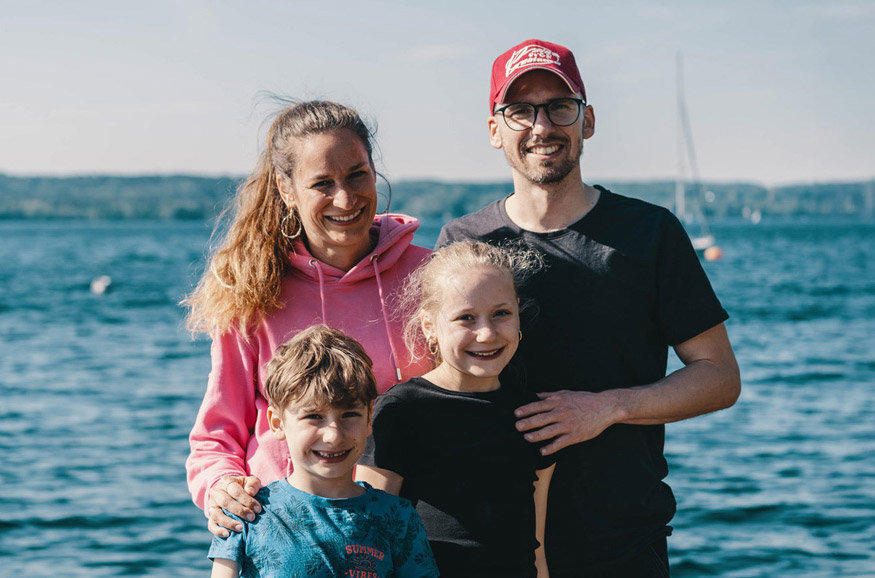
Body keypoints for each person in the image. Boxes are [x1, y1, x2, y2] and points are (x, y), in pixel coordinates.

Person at [436, 39, 741, 576]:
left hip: (623, 542)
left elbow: (719, 377)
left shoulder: (649, 233)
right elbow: (436, 388)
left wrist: (609, 407)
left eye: (560, 106)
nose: (541, 126)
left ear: (588, 120)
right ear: (494, 130)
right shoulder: (464, 242)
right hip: (493, 542)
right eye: (520, 110)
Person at [184, 100, 433, 538]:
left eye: (357, 175)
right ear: (286, 190)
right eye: (322, 183)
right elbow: (216, 436)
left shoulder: (430, 276)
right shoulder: (253, 287)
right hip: (288, 536)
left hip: (411, 534)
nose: (345, 198)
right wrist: (222, 486)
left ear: (374, 171)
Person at [357, 240, 555, 577]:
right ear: (429, 326)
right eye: (466, 318)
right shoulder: (401, 410)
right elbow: (369, 535)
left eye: (501, 313)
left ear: (518, 312)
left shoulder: (533, 415)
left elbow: (536, 550)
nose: (486, 334)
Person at [208, 325, 439, 577]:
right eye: (314, 416)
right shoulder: (245, 513)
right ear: (277, 423)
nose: (333, 436)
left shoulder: (398, 517)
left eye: (349, 414)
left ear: (369, 418)